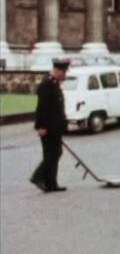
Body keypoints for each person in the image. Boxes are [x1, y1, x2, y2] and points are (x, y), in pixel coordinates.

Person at [30, 58, 70, 193]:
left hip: (55, 127)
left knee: (53, 153)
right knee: (53, 153)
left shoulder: (53, 83)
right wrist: (41, 126)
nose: (65, 75)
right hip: (48, 127)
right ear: (58, 71)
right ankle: (38, 177)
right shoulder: (47, 84)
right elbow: (42, 108)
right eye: (64, 72)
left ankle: (51, 183)